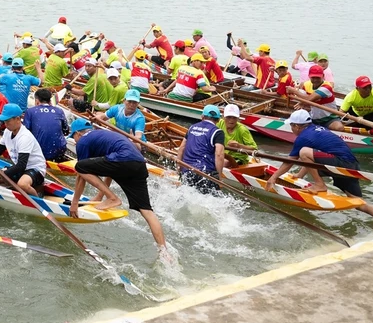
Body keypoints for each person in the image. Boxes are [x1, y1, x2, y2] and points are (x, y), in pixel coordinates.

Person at [265, 111, 373, 222]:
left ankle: (320, 184)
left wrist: (274, 177)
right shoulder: (317, 129)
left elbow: (290, 161)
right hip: (351, 166)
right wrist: (299, 176)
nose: (291, 129)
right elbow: (312, 158)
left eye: (291, 126)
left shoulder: (303, 137)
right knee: (359, 203)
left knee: (304, 151)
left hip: (341, 164)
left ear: (297, 126)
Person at [67, 120, 168, 253]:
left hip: (123, 160)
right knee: (146, 210)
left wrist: (74, 203)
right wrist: (100, 196)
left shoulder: (83, 141)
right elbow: (110, 168)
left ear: (78, 133)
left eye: (73, 137)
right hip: (139, 165)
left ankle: (113, 199)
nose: (74, 141)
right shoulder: (101, 135)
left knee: (80, 166)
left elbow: (81, 174)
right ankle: (164, 251)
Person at [0, 104, 47, 197]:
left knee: (22, 185)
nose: (6, 124)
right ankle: (14, 185)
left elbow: (21, 165)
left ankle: (38, 198)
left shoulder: (24, 137)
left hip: (36, 170)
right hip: (21, 169)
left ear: (17, 119)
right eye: (4, 121)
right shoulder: (7, 132)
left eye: (8, 121)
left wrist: (0, 175)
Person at [176, 105, 226, 193]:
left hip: (187, 171)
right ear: (218, 120)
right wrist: (219, 178)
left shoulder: (191, 128)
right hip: (206, 173)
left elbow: (182, 148)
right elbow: (219, 155)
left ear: (202, 116)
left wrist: (178, 167)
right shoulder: (218, 132)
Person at [23, 88, 69, 162]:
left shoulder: (30, 111)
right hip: (60, 150)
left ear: (37, 101)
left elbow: (25, 132)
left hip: (40, 151)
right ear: (50, 101)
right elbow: (66, 131)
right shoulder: (59, 111)